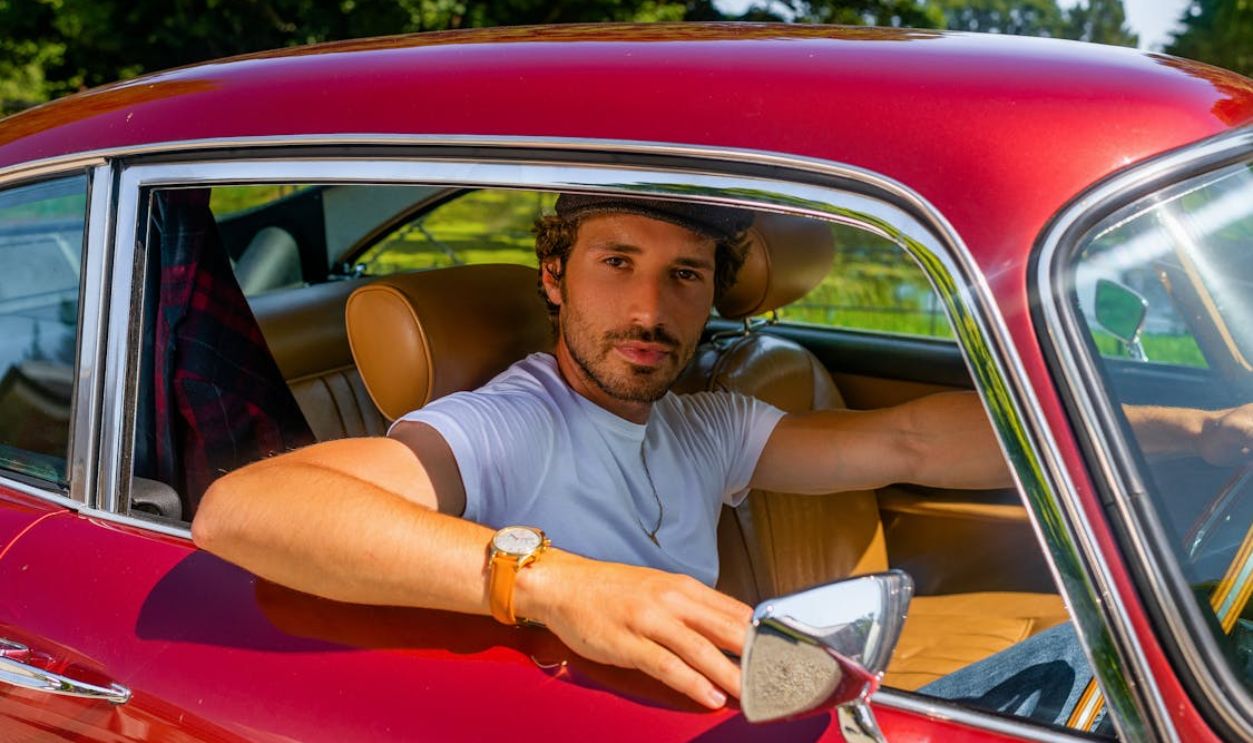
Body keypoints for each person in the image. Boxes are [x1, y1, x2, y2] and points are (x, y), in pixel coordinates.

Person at [191, 194, 1253, 716]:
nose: (651, 308)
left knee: (1099, 657)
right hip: (626, 720)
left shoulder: (706, 422)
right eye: (617, 264)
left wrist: (1194, 433)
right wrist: (551, 580)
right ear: (554, 278)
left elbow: (911, 437)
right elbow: (245, 508)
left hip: (741, 704)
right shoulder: (506, 420)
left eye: (686, 276)